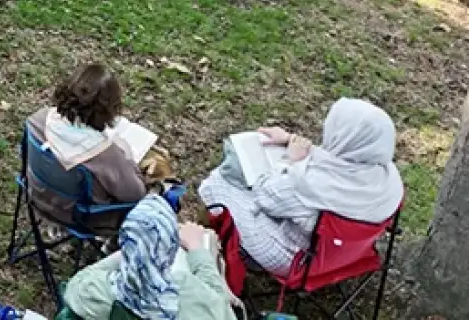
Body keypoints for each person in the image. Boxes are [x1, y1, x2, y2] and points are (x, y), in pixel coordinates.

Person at [198, 98, 405, 276]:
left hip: (296, 259)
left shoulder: (310, 185)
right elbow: (342, 162)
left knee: (216, 183)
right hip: (350, 254)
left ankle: (206, 247)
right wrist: (290, 140)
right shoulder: (390, 179)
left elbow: (266, 196)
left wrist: (289, 161)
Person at [60, 197, 237, 320]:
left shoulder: (92, 292)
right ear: (170, 248)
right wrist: (197, 248)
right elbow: (218, 300)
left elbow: (78, 282)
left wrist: (138, 250)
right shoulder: (191, 294)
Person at [25, 64, 146, 235]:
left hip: (37, 196)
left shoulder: (37, 120)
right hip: (80, 217)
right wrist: (128, 156)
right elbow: (136, 194)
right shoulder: (105, 154)